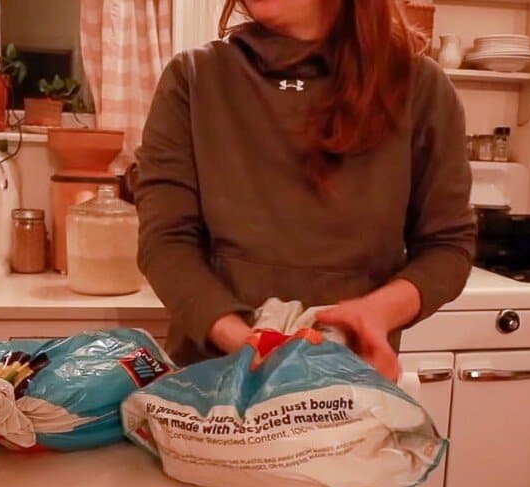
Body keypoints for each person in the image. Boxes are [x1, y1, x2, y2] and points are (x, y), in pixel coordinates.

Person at [135, 0, 474, 379]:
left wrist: (376, 313)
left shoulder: (420, 87)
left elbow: (447, 246)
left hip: (349, 383)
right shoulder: (194, 79)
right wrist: (245, 340)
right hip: (212, 385)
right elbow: (166, 243)